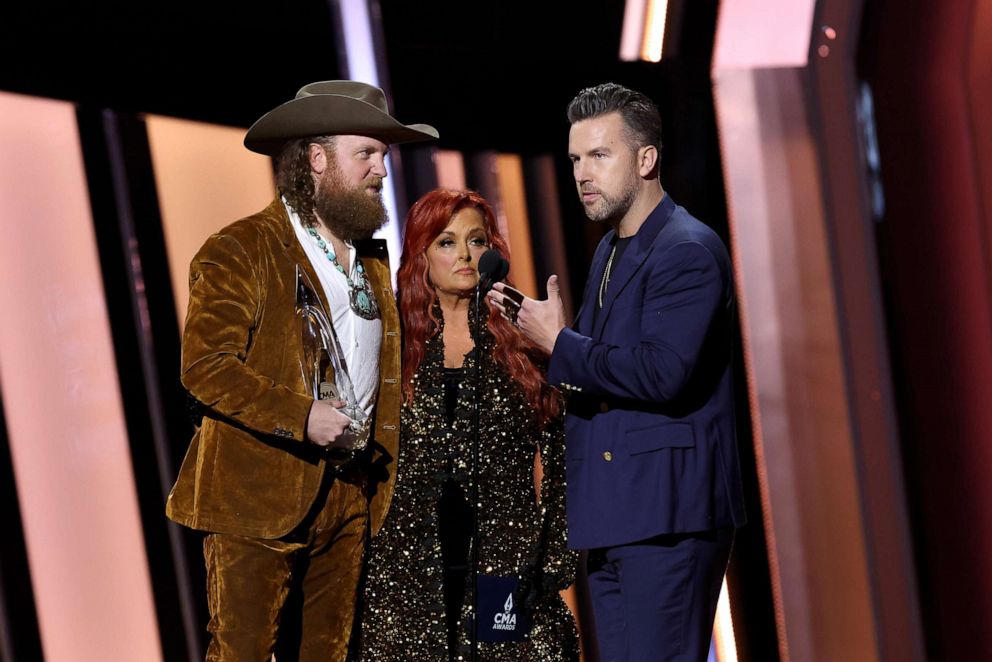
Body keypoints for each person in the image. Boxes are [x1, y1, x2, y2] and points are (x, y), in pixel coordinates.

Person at [165, 80, 437, 661]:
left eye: (383, 157)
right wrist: (301, 416)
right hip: (256, 495)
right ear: (317, 159)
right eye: (365, 154)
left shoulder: (369, 260)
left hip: (348, 496)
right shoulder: (242, 247)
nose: (381, 170)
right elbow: (205, 367)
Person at [489, 83, 746, 661]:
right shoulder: (610, 250)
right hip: (613, 514)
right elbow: (597, 369)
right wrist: (539, 347)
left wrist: (560, 344)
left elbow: (661, 373)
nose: (582, 172)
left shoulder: (687, 250)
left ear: (646, 159)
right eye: (576, 158)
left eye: (599, 156)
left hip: (668, 514)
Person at [359, 189, 579, 661]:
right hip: (405, 578)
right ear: (421, 256)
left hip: (505, 572)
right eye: (445, 241)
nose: (463, 254)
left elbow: (569, 461)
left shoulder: (526, 351)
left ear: (492, 252)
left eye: (476, 241)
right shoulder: (389, 355)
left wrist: (551, 563)